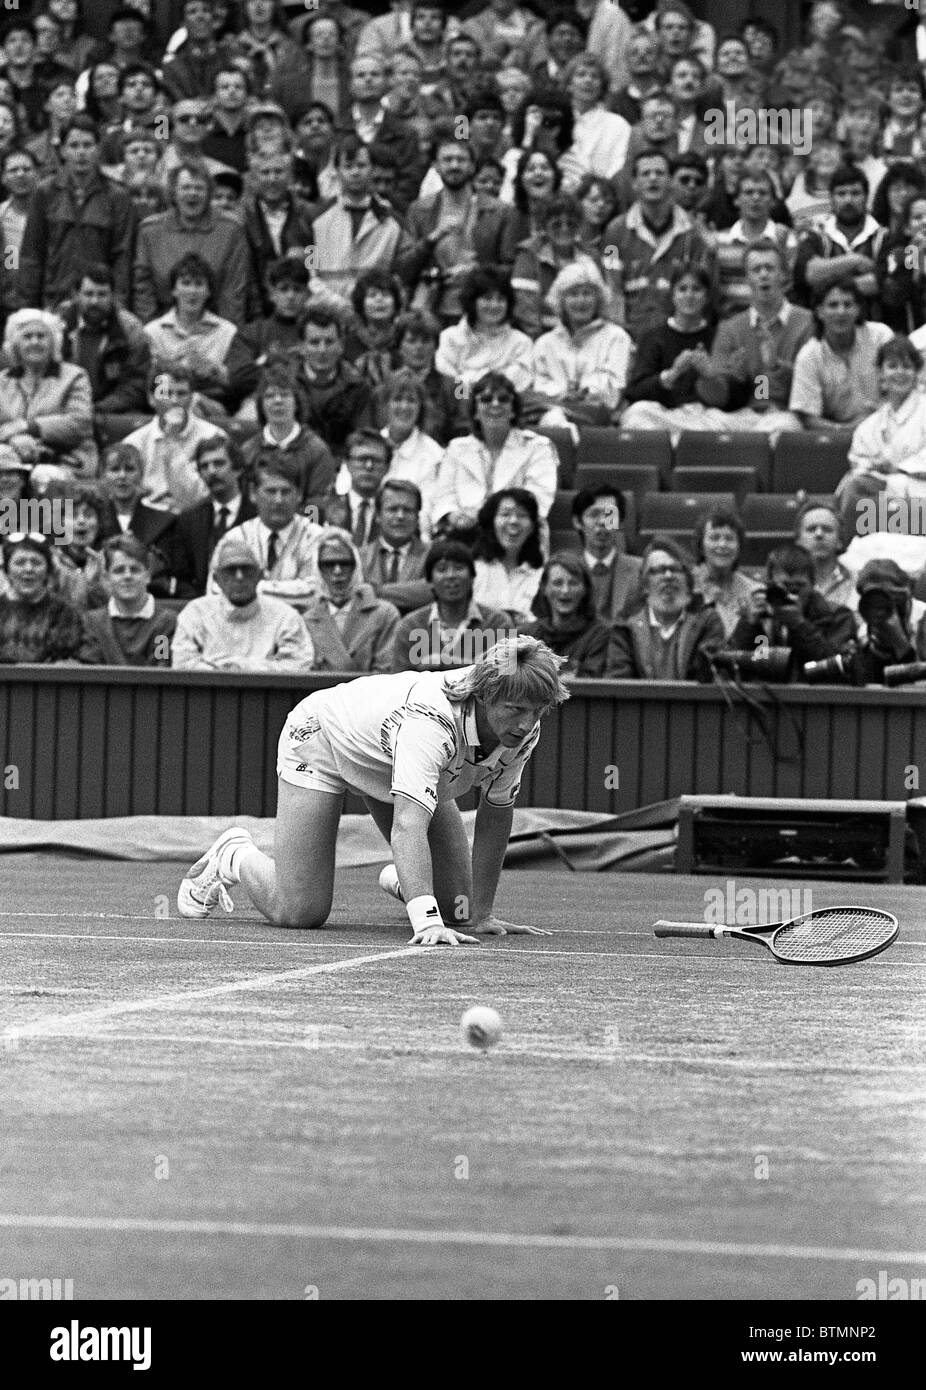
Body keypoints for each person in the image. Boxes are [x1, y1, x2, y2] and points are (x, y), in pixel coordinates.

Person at [177, 633, 568, 944]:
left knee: (461, 911)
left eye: (536, 711)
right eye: (515, 710)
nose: (525, 723)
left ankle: (406, 880)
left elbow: (496, 814)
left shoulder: (525, 728)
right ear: (485, 696)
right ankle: (235, 855)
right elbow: (408, 826)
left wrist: (482, 914)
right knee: (299, 912)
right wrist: (426, 922)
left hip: (389, 758)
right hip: (323, 740)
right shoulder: (430, 722)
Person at [692, 240, 814, 439]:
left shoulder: (807, 323)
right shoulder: (731, 328)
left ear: (783, 275)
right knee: (702, 428)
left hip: (786, 415)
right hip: (742, 415)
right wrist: (711, 378)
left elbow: (812, 387)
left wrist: (777, 368)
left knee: (779, 429)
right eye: (756, 269)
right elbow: (719, 399)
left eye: (770, 268)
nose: (763, 274)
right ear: (747, 278)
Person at [16, 115, 137, 310]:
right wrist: (28, 306)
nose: (81, 152)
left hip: (99, 301)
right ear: (63, 150)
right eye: (74, 145)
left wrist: (119, 306)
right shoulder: (44, 192)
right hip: (54, 300)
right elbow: (31, 255)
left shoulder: (118, 196)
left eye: (88, 145)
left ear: (98, 149)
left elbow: (123, 257)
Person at [401, 136, 516, 329]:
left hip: (482, 309)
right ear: (435, 166)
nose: (454, 165)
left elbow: (511, 266)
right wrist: (432, 238)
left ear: (472, 167)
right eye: (447, 160)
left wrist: (477, 272)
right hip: (431, 311)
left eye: (461, 160)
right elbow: (404, 268)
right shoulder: (419, 210)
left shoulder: (500, 211)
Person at [602, 148, 714, 342]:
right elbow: (613, 288)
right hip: (630, 337)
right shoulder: (614, 233)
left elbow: (701, 293)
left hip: (678, 336)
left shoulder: (694, 233)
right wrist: (621, 338)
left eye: (660, 173)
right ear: (635, 183)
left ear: (670, 181)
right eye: (645, 173)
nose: (653, 178)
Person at [430, 371, 557, 534]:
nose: (495, 404)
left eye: (503, 399)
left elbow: (538, 501)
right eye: (486, 399)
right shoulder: (456, 449)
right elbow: (443, 497)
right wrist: (454, 516)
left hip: (518, 535)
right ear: (475, 412)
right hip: (465, 533)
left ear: (513, 410)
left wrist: (484, 516)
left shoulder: (538, 447)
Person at [173, 530, 315, 673]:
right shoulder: (195, 613)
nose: (239, 577)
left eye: (246, 569)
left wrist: (241, 667)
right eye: (230, 570)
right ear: (217, 579)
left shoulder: (285, 616)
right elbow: (182, 664)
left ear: (260, 575)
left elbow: (299, 665)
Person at [132, 160, 251, 326]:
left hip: (215, 327)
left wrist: (228, 335)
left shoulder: (231, 230)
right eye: (186, 187)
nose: (193, 193)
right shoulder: (149, 231)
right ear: (173, 193)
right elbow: (143, 289)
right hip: (163, 327)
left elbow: (234, 291)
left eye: (199, 188)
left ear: (209, 193)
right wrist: (153, 330)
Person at [142, 253, 257, 420]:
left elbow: (237, 384)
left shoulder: (227, 331)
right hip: (167, 400)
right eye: (186, 284)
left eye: (199, 284)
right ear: (174, 290)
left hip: (214, 404)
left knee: (195, 403)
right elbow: (149, 385)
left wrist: (214, 371)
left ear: (209, 291)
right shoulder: (153, 331)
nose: (192, 291)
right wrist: (175, 368)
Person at [837, 336, 926, 535]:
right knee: (854, 488)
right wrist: (875, 466)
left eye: (907, 366)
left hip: (921, 498)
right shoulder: (870, 424)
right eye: (892, 366)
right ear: (881, 375)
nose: (900, 372)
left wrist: (897, 469)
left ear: (917, 374)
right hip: (881, 497)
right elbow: (859, 462)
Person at [605, 536, 726, 681]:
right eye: (659, 570)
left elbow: (712, 679)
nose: (668, 576)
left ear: (688, 581)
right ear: (644, 585)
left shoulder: (707, 622)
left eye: (676, 569)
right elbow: (618, 683)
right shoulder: (625, 627)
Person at [728, 542, 856, 679]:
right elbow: (730, 667)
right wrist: (750, 624)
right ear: (770, 584)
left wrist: (800, 625)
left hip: (817, 697)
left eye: (799, 586)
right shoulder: (760, 616)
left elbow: (839, 668)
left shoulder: (837, 616)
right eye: (785, 586)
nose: (792, 594)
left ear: (813, 584)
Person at [211, 454, 323, 611]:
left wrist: (249, 589)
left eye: (285, 492)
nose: (278, 500)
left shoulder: (316, 537)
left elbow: (316, 592)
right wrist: (293, 590)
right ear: (253, 493)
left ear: (299, 494)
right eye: (271, 491)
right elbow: (216, 592)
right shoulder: (234, 539)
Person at [57, 263, 151, 447]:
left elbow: (136, 385)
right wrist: (76, 408)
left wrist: (98, 408)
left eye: (102, 294)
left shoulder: (130, 329)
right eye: (88, 294)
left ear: (113, 296)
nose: (94, 301)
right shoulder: (56, 325)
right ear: (76, 295)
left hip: (111, 410)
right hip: (64, 407)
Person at [530, 262, 632, 432]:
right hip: (553, 415)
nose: (581, 301)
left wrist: (585, 392)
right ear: (561, 301)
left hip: (600, 420)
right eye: (573, 294)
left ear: (598, 299)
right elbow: (539, 384)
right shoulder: (545, 343)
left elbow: (614, 387)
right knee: (552, 419)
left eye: (587, 294)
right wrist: (563, 394)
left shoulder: (617, 337)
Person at [307, 134, 411, 300]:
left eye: (361, 166)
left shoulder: (394, 221)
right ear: (337, 171)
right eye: (348, 166)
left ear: (372, 169)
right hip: (327, 311)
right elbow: (311, 273)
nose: (355, 172)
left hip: (374, 309)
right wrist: (338, 305)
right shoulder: (316, 218)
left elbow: (400, 274)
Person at [789, 279, 894, 435]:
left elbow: (902, 388)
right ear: (819, 312)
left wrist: (876, 418)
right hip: (834, 436)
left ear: (858, 309)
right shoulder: (809, 355)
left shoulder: (881, 337)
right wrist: (846, 430)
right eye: (833, 305)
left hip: (886, 425)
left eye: (848, 304)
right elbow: (807, 417)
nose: (841, 312)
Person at [391, 536, 512, 672]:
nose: (451, 576)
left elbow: (508, 678)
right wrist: (476, 665)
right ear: (430, 581)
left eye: (459, 568)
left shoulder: (497, 623)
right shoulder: (410, 626)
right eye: (442, 569)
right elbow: (399, 683)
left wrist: (440, 664)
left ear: (472, 577)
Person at [0, 308, 96, 476]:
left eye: (41, 336)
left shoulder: (75, 376)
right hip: (13, 454)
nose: (35, 342)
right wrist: (13, 439)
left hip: (66, 458)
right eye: (27, 337)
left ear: (54, 342)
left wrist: (29, 427)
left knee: (43, 475)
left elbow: (80, 423)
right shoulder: (3, 380)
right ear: (16, 344)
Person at [122, 364, 227, 514]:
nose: (175, 400)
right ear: (151, 398)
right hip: (148, 520)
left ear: (192, 398)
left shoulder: (214, 437)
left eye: (182, 393)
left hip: (198, 517)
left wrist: (171, 442)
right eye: (166, 393)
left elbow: (207, 496)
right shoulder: (134, 443)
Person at [166, 435, 258, 599]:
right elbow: (182, 578)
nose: (211, 471)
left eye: (219, 463)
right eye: (204, 466)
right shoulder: (188, 519)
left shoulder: (258, 515)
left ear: (237, 469)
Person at [242, 358, 337, 515]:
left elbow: (317, 506)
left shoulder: (317, 450)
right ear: (261, 405)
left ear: (297, 403)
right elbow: (244, 502)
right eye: (270, 396)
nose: (277, 401)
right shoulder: (248, 450)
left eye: (285, 395)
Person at [301, 526, 400, 673]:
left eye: (345, 563)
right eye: (328, 565)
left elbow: (386, 671)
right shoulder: (307, 619)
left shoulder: (384, 614)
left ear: (356, 566)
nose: (337, 571)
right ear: (318, 569)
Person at [510, 192, 603, 339]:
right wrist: (547, 345)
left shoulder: (592, 256)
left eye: (571, 224)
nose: (564, 229)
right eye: (556, 224)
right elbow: (526, 311)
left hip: (588, 338)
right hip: (542, 339)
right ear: (544, 226)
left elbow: (601, 304)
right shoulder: (528, 255)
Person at [435, 266, 533, 396]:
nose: (494, 305)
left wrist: (468, 379)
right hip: (458, 410)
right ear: (471, 301)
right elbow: (451, 388)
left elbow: (515, 386)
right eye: (487, 298)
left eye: (501, 299)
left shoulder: (521, 343)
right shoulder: (449, 337)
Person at [0, 530, 94, 663]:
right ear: (7, 571)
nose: (28, 569)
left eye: (36, 563)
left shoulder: (66, 613)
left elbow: (82, 660)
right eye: (20, 562)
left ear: (48, 570)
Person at [83, 534, 176, 666]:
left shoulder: (166, 622)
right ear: (107, 577)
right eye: (119, 571)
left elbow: (161, 668)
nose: (127, 576)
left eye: (135, 570)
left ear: (148, 575)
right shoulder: (93, 622)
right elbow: (91, 673)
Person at [295, 303, 374, 453]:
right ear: (301, 347)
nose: (322, 350)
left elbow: (362, 441)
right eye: (314, 342)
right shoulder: (286, 384)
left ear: (341, 345)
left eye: (329, 342)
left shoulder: (359, 388)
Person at [522, 550, 611, 676]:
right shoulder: (526, 635)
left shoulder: (600, 635)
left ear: (585, 589)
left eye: (573, 583)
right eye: (557, 583)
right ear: (544, 588)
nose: (565, 590)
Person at [376, 368, 443, 535]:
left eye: (411, 401)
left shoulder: (434, 454)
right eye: (397, 399)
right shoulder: (369, 445)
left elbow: (428, 513)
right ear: (385, 405)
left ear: (421, 408)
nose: (404, 407)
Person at [471, 486, 544, 624]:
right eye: (505, 514)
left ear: (533, 527)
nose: (513, 521)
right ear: (491, 523)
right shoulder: (473, 570)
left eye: (522, 515)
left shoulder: (541, 575)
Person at [571, 484, 642, 624]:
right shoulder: (565, 571)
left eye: (610, 514)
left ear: (620, 522)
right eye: (594, 514)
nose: (603, 522)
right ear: (577, 522)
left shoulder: (640, 570)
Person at [360, 477, 431, 615]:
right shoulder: (360, 556)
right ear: (378, 516)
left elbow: (431, 590)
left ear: (417, 517)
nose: (400, 516)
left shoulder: (432, 554)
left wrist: (375, 591)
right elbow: (354, 595)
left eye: (408, 510)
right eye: (393, 509)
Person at [691, 507, 756, 639]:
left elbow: (761, 645)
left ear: (739, 547)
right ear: (701, 546)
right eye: (714, 538)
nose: (722, 544)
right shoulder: (688, 587)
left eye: (729, 538)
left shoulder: (752, 590)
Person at [793, 499, 857, 611]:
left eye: (827, 530)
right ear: (798, 540)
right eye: (811, 529)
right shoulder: (788, 583)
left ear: (840, 541)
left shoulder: (857, 582)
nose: (819, 534)